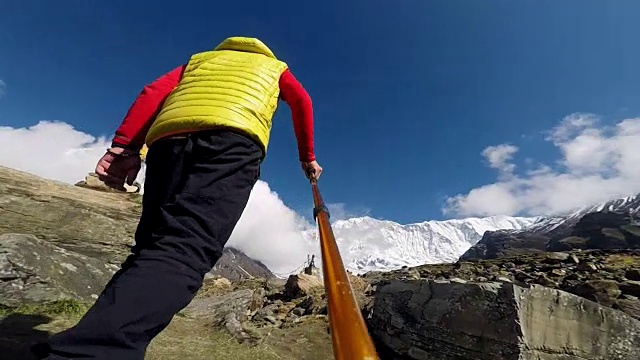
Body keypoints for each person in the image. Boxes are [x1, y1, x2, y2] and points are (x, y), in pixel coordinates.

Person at [33, 36, 322, 359]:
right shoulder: (275, 68)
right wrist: (306, 158)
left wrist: (124, 147)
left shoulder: (199, 61)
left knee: (150, 246)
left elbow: (153, 92)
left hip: (167, 141)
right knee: (186, 247)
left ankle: (85, 340)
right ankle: (93, 351)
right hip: (232, 141)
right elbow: (302, 102)